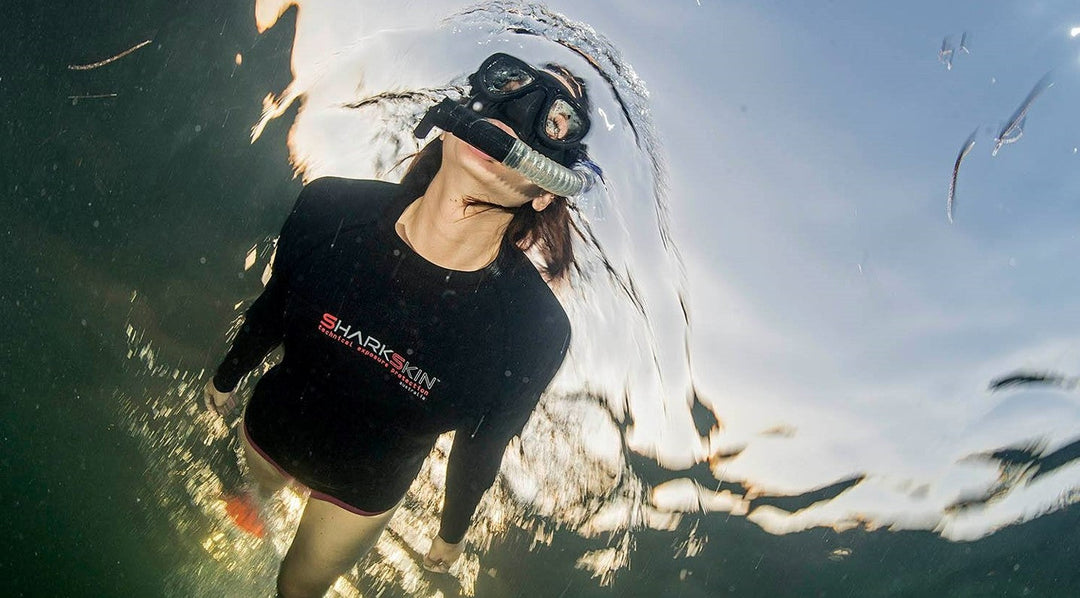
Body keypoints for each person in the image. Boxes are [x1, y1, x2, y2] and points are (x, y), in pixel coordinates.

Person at [202, 52, 593, 598]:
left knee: (296, 589)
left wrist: (451, 535)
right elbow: (273, 305)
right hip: (271, 432)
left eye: (554, 121)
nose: (517, 113)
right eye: (507, 85)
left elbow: (484, 446)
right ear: (458, 118)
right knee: (245, 507)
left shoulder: (534, 330)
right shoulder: (330, 207)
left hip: (361, 491)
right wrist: (228, 377)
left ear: (549, 187)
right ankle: (256, 500)